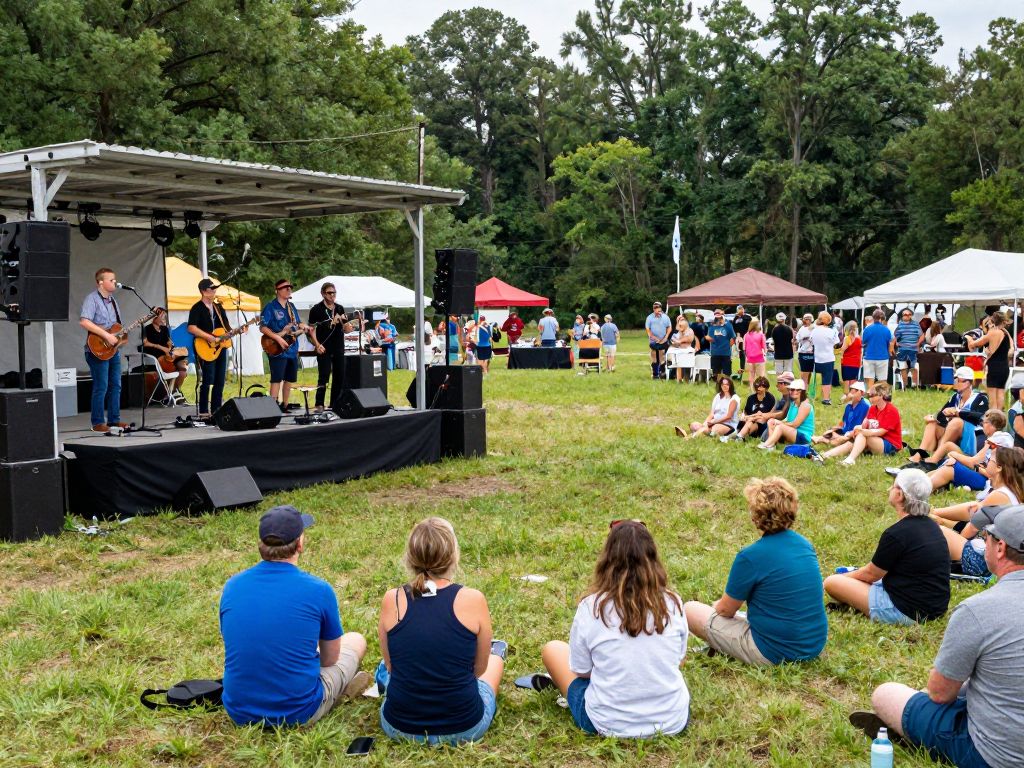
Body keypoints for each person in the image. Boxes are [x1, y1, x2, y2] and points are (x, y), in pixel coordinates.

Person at [854, 505, 1024, 768]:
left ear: (1000, 548)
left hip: (994, 756)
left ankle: (916, 734)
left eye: (986, 535)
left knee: (886, 694)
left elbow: (940, 693)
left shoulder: (978, 610)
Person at [219, 505, 370, 726]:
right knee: (356, 640)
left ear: (261, 544)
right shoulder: (319, 590)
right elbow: (329, 659)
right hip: (298, 711)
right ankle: (338, 694)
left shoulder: (232, 586)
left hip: (239, 710)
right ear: (300, 544)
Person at [541, 520, 690, 738]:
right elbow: (679, 659)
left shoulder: (591, 607)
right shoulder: (672, 603)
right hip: (671, 721)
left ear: (607, 560)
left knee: (553, 649)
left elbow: (581, 670)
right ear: (652, 559)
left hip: (605, 723)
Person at [377, 517, 505, 745]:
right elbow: (479, 668)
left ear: (410, 557)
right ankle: (500, 652)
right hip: (465, 726)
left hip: (399, 726)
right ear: (454, 555)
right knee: (494, 663)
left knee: (384, 670)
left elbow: (391, 665)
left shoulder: (392, 599)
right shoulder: (473, 599)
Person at [685, 477, 827, 665]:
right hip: (813, 644)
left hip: (774, 652)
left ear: (756, 515)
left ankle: (722, 645)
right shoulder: (804, 545)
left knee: (691, 609)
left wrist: (717, 605)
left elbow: (726, 610)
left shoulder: (750, 556)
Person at [823, 469, 949, 624]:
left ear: (900, 495)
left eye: (893, 486)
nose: (889, 489)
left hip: (907, 611)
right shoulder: (932, 526)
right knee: (855, 578)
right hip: (935, 608)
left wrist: (843, 578)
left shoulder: (896, 533)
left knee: (832, 582)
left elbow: (871, 574)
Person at [906, 366, 989, 465]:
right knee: (932, 424)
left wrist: (957, 413)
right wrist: (934, 418)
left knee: (957, 422)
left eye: (956, 379)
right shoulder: (955, 397)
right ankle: (919, 454)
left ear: (966, 383)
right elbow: (941, 416)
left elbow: (981, 418)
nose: (954, 382)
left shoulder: (981, 398)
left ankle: (936, 457)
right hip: (952, 434)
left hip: (969, 439)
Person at [79, 267, 127, 433]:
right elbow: (84, 321)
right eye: (111, 280)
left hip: (112, 351)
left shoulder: (113, 301)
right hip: (96, 349)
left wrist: (119, 339)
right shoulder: (91, 299)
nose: (115, 282)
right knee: (102, 386)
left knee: (116, 385)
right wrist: (106, 337)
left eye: (115, 280)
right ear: (101, 282)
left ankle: (114, 420)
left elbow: (116, 328)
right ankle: (98, 422)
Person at [931, 447, 1024, 530]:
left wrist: (935, 512)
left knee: (936, 524)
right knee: (936, 520)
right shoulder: (1009, 491)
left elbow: (971, 512)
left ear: (999, 467)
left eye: (989, 459)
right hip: (984, 534)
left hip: (983, 542)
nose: (986, 462)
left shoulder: (1002, 494)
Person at [924, 413, 1010, 493]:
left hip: (990, 482)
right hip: (987, 477)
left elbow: (974, 462)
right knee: (949, 464)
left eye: (985, 422)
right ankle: (920, 482)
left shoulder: (997, 439)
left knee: (949, 468)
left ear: (993, 426)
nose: (982, 424)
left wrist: (954, 455)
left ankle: (921, 489)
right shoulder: (1000, 438)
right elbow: (978, 463)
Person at [820, 382, 902, 466]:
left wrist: (862, 431)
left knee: (863, 435)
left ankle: (850, 459)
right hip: (876, 440)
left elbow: (881, 432)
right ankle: (824, 455)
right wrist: (858, 429)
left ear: (881, 395)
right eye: (868, 395)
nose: (869, 398)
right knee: (853, 441)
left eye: (871, 395)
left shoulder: (891, 410)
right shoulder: (873, 408)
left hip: (891, 445)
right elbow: (865, 426)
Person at [187, 278, 234, 418]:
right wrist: (209, 337)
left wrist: (234, 331)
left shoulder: (218, 308)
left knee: (220, 379)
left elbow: (226, 327)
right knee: (207, 379)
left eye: (215, 289)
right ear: (203, 291)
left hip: (220, 347)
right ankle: (203, 411)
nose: (214, 291)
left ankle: (216, 410)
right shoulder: (197, 308)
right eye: (211, 289)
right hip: (204, 346)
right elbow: (191, 327)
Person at [261, 279, 308, 410]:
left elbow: (297, 323)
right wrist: (278, 337)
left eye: (290, 287)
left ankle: (285, 405)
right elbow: (263, 328)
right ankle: (272, 407)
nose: (288, 289)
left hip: (292, 348)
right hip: (276, 347)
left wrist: (303, 326)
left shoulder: (291, 307)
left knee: (290, 378)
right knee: (276, 378)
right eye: (285, 288)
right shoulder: (270, 307)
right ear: (277, 291)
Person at [307, 282, 347, 412]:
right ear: (323, 294)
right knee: (323, 375)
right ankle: (319, 403)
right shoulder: (316, 309)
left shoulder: (340, 308)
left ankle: (335, 403)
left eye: (334, 292)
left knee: (339, 375)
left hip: (338, 346)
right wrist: (317, 344)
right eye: (330, 293)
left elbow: (346, 328)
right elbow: (310, 330)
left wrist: (349, 326)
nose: (332, 295)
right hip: (323, 346)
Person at [968, 310, 1012, 410]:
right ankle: (1000, 417)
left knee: (992, 394)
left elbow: (974, 344)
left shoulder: (992, 333)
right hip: (1005, 367)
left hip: (994, 367)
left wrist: (968, 338)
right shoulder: (1005, 333)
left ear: (993, 320)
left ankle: (993, 417)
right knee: (1000, 392)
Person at [143, 309, 187, 401]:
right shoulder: (147, 328)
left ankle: (174, 392)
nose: (164, 318)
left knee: (182, 371)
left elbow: (168, 341)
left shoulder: (164, 329)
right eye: (162, 316)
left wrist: (170, 345)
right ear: (155, 317)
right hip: (156, 354)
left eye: (165, 316)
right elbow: (145, 343)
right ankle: (168, 393)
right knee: (170, 367)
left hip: (167, 354)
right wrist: (159, 346)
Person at [759, 378, 814, 450]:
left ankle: (766, 444)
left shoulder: (805, 405)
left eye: (797, 390)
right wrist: (776, 422)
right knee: (771, 421)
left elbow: (795, 424)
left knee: (780, 426)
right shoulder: (793, 403)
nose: (794, 392)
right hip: (792, 432)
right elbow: (788, 420)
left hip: (803, 437)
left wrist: (779, 423)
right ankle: (771, 445)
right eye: (792, 389)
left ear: (802, 392)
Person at [812, 380, 869, 448]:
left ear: (861, 393)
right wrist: (834, 428)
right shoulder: (848, 406)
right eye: (851, 390)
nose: (852, 393)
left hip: (853, 434)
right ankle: (823, 438)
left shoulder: (865, 406)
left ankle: (822, 440)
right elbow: (843, 422)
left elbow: (861, 426)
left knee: (841, 439)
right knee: (828, 433)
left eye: (856, 391)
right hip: (844, 431)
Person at [679, 375, 740, 439]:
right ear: (720, 386)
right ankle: (701, 432)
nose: (725, 386)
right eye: (723, 384)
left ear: (731, 386)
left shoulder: (734, 399)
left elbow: (729, 417)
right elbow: (711, 414)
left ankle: (689, 437)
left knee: (714, 430)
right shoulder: (718, 396)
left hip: (728, 424)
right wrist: (705, 423)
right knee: (694, 425)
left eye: (727, 384)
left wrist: (714, 422)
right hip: (713, 422)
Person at [729, 375, 780, 442]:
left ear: (766, 388)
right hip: (749, 422)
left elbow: (765, 415)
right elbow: (746, 411)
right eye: (757, 386)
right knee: (750, 422)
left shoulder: (770, 398)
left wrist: (751, 417)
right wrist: (745, 416)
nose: (759, 388)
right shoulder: (751, 398)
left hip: (762, 424)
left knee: (752, 421)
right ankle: (740, 437)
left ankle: (738, 435)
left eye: (762, 386)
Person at [810, 311, 839, 405]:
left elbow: (812, 342)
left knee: (819, 378)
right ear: (828, 320)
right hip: (828, 358)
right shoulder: (831, 331)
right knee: (827, 379)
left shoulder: (814, 331)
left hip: (817, 358)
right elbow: (836, 343)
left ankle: (816, 395)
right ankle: (826, 398)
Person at [861, 308, 894, 389]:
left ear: (873, 317)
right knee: (882, 380)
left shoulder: (867, 329)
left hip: (869, 356)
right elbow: (890, 342)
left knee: (870, 379)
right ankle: (882, 397)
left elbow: (863, 342)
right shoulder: (887, 330)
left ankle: (870, 396)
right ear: (882, 318)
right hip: (882, 357)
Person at [894, 307, 924, 389]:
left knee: (913, 366)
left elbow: (922, 335)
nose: (907, 316)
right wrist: (896, 341)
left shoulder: (916, 324)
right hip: (902, 349)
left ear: (911, 315)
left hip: (913, 349)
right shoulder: (900, 325)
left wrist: (918, 343)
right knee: (903, 367)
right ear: (902, 316)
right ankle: (905, 385)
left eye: (909, 314)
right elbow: (896, 336)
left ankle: (914, 385)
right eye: (905, 315)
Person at [645, 302, 672, 379]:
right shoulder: (649, 318)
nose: (659, 313)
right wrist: (654, 337)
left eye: (660, 311)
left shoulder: (665, 317)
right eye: (658, 311)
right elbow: (648, 330)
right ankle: (655, 374)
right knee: (654, 357)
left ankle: (662, 373)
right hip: (653, 341)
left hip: (663, 340)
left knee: (662, 356)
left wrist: (666, 337)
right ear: (654, 309)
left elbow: (669, 327)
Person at [708, 307, 736, 379]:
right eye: (716, 314)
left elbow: (733, 338)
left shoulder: (728, 325)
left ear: (722, 315)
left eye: (719, 314)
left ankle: (727, 384)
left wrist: (727, 346)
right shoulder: (711, 325)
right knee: (716, 374)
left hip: (725, 353)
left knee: (727, 374)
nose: (718, 317)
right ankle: (718, 386)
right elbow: (709, 338)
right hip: (715, 353)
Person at [666, 315, 695, 382]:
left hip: (687, 352)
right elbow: (673, 341)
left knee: (686, 363)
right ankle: (678, 379)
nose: (680, 322)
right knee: (677, 362)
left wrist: (679, 341)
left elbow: (688, 339)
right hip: (678, 351)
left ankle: (686, 379)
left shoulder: (690, 331)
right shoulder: (677, 332)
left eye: (682, 320)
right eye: (679, 320)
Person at [838, 320, 861, 400]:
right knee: (853, 379)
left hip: (847, 362)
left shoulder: (847, 338)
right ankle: (852, 394)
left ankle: (846, 394)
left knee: (846, 379)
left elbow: (843, 349)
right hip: (856, 362)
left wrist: (839, 350)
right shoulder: (859, 339)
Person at [743, 318, 767, 391]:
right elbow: (764, 347)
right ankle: (760, 389)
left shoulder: (746, 335)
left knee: (751, 375)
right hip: (759, 357)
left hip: (749, 358)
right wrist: (765, 353)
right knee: (761, 375)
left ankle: (752, 389)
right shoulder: (760, 334)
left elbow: (744, 347)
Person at [731, 304, 752, 378]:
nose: (740, 310)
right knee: (741, 354)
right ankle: (742, 371)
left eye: (741, 308)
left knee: (749, 353)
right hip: (739, 338)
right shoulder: (735, 318)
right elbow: (733, 327)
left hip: (748, 337)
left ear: (743, 309)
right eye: (739, 309)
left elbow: (752, 326)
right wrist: (737, 336)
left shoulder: (748, 317)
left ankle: (750, 371)